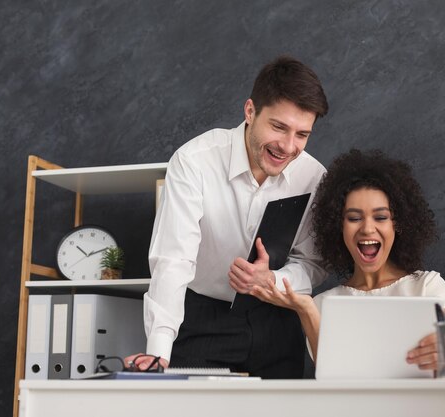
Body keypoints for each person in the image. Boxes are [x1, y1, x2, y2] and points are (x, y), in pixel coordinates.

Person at [126, 56, 329, 378]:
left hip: (277, 318)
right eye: (278, 127)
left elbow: (314, 264)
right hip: (202, 317)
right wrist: (159, 351)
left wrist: (273, 280)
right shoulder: (194, 161)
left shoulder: (314, 177)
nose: (288, 147)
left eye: (302, 134)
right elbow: (174, 259)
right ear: (250, 111)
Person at [251, 149, 445, 371]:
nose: (367, 229)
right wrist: (306, 309)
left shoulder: (427, 287)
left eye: (381, 217)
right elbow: (334, 376)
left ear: (399, 224)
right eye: (354, 218)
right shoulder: (322, 305)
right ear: (339, 227)